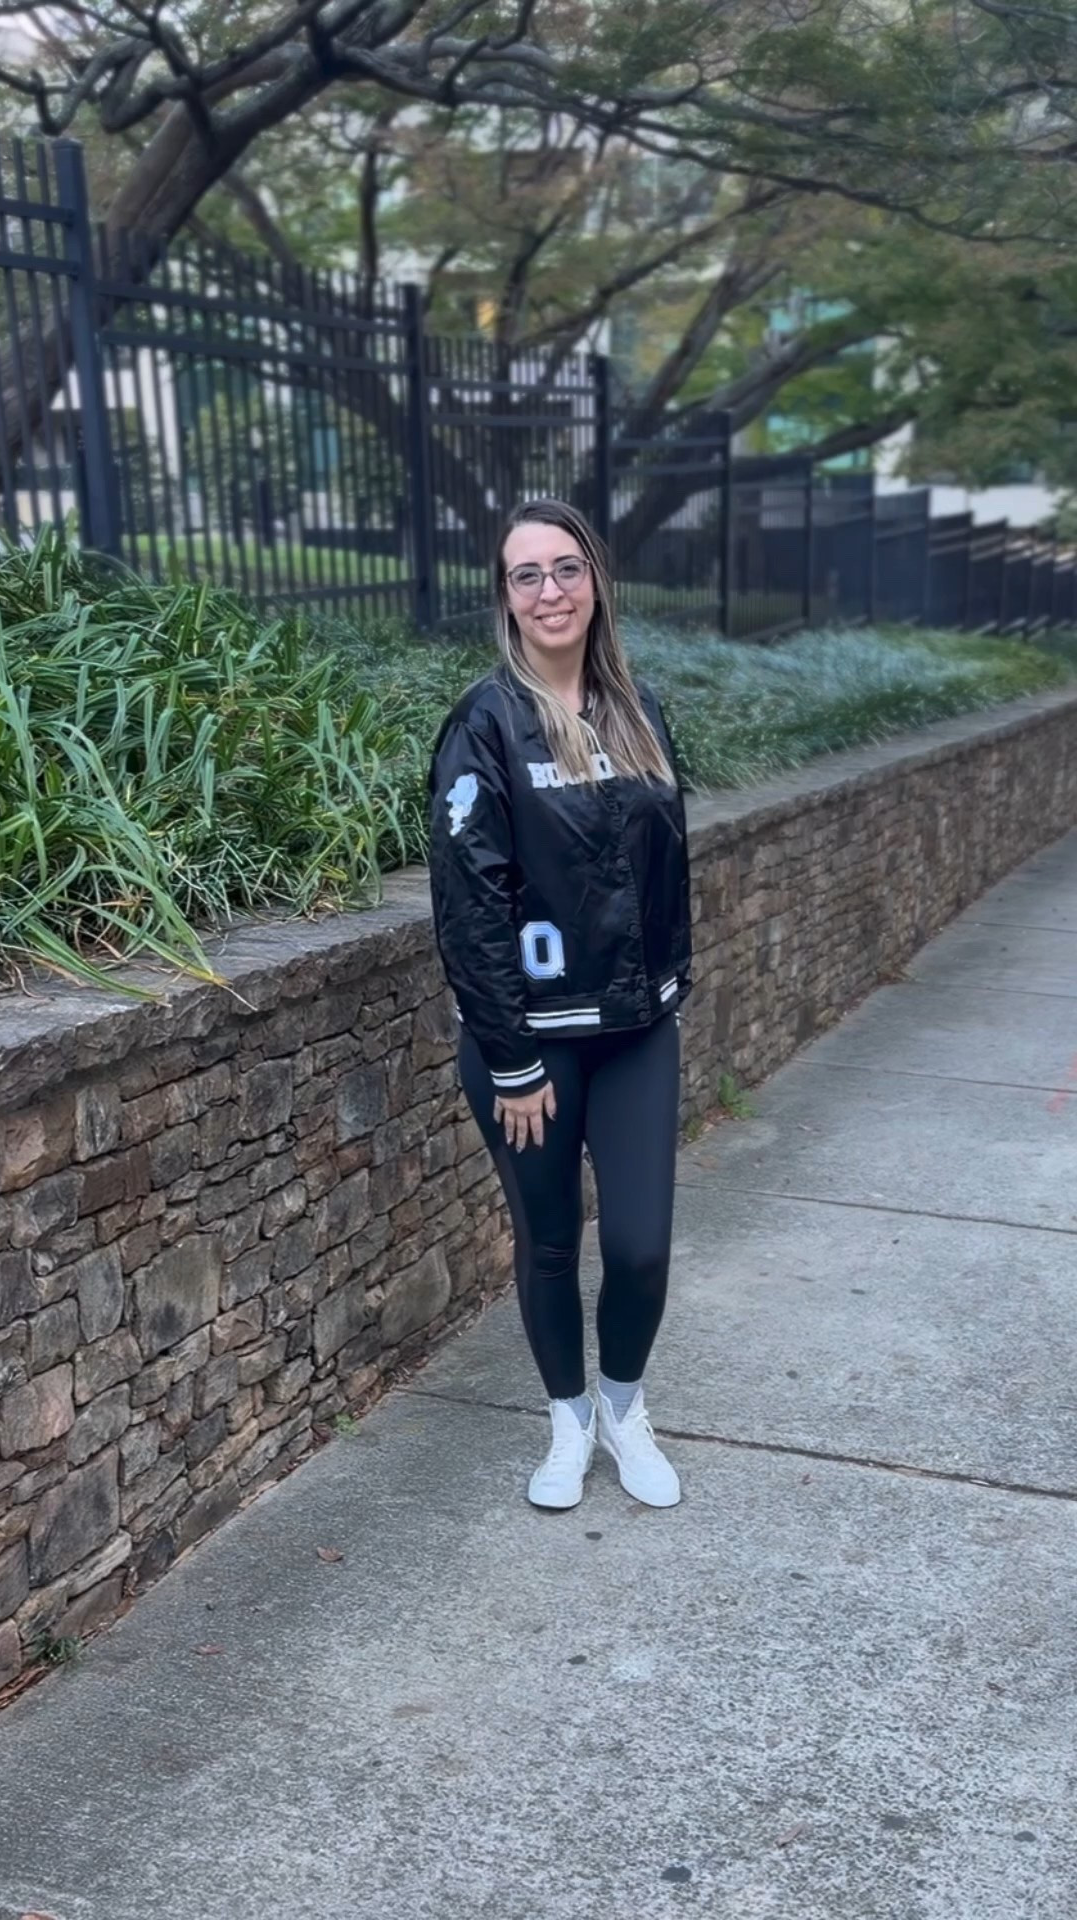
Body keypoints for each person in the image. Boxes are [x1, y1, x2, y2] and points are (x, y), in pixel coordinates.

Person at [428, 499, 692, 1511]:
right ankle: (568, 1423)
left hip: (634, 1031)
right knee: (548, 1242)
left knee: (639, 1246)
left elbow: (668, 866)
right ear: (505, 597)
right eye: (527, 574)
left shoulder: (638, 708)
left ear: (596, 582)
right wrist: (510, 1057)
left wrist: (669, 984)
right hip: (530, 1046)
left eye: (566, 568)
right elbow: (469, 904)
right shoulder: (486, 723)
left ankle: (624, 1410)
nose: (550, 591)